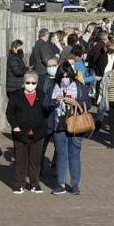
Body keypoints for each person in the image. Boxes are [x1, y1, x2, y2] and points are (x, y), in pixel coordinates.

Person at [49, 65, 92, 195]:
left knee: (74, 154)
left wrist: (75, 102)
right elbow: (45, 105)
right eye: (63, 76)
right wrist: (54, 102)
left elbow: (88, 104)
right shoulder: (53, 87)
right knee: (61, 153)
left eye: (67, 76)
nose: (65, 78)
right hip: (59, 123)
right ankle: (60, 184)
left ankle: (74, 184)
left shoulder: (79, 87)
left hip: (76, 124)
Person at [6, 72, 50, 193]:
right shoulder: (16, 95)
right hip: (20, 132)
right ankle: (19, 183)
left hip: (38, 132)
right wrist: (15, 126)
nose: (30, 85)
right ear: (24, 82)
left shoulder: (42, 94)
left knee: (35, 159)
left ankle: (34, 183)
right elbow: (10, 112)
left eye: (33, 83)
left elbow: (46, 111)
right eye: (28, 82)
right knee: (20, 159)